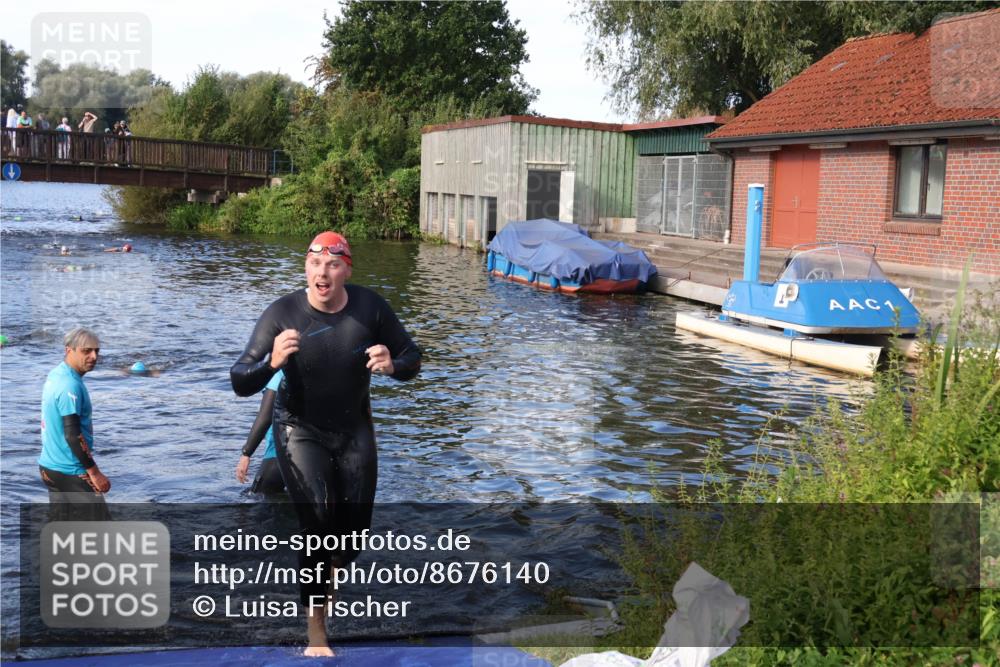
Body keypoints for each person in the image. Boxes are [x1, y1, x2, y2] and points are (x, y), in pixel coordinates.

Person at [230, 231, 421, 656]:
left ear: (346, 270)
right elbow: (239, 379)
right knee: (316, 524)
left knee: (351, 541)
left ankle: (323, 575)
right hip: (299, 428)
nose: (323, 272)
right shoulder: (282, 313)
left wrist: (395, 366)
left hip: (354, 430)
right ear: (306, 269)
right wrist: (271, 362)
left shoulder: (370, 308)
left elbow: (413, 355)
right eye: (316, 264)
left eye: (333, 265)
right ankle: (317, 633)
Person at [38, 328, 111, 519]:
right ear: (69, 350)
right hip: (71, 471)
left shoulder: (56, 374)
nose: (94, 356)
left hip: (49, 469)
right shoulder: (69, 385)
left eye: (96, 351)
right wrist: (95, 473)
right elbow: (72, 434)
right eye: (86, 351)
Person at [235, 369, 286, 494]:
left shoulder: (280, 374)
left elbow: (265, 416)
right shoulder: (315, 369)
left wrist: (246, 453)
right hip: (310, 451)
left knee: (256, 499)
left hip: (278, 453)